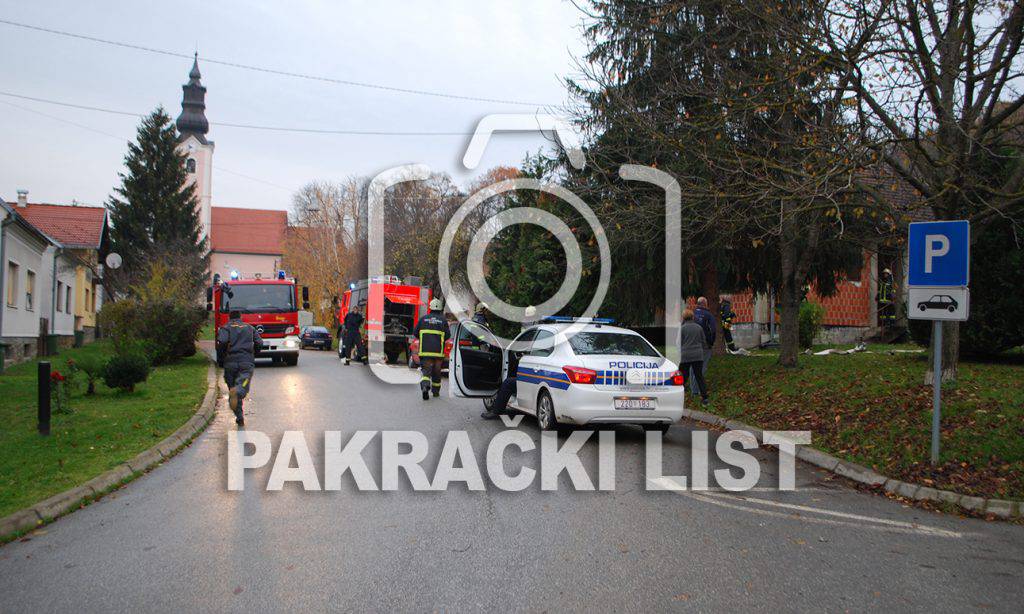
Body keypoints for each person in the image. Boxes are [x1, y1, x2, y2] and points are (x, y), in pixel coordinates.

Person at [481, 305, 536, 420]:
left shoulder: (534, 331)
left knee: (508, 383)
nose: (525, 321)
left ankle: (496, 411)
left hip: (534, 369)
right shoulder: (539, 328)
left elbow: (526, 346)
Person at [216, 310, 262, 426]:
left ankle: (239, 417)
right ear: (240, 317)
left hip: (230, 363)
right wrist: (254, 353)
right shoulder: (249, 328)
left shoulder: (225, 328)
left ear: (229, 318)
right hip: (246, 362)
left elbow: (221, 342)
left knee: (232, 389)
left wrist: (221, 358)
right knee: (242, 385)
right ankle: (238, 391)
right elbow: (259, 342)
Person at [414, 298, 449, 400]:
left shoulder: (423, 319)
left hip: (425, 352)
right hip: (438, 353)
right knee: (437, 372)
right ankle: (436, 392)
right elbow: (447, 335)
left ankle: (425, 386)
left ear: (430, 308)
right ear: (440, 309)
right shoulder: (443, 321)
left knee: (426, 371)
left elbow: (415, 333)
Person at [676, 309, 709, 404]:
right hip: (698, 355)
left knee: (682, 376)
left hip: (686, 355)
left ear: (683, 318)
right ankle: (705, 397)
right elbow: (703, 342)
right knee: (699, 376)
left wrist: (680, 351)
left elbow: (679, 342)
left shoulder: (682, 328)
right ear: (693, 317)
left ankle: (677, 395)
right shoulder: (699, 328)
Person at [691, 296, 716, 397]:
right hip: (704, 345)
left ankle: (694, 391)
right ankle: (698, 391)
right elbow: (713, 330)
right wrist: (711, 342)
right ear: (705, 304)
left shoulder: (691, 314)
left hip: (692, 345)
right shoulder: (708, 315)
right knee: (701, 367)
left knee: (692, 368)